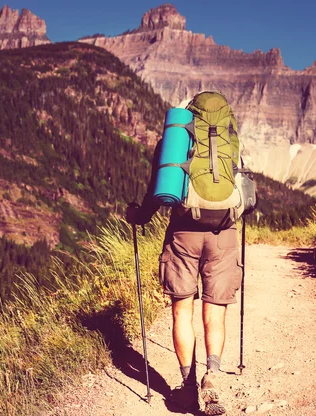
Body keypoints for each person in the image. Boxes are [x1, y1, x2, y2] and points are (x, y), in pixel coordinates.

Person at [126, 97, 243, 416]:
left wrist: (138, 216)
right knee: (215, 312)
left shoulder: (176, 136)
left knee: (182, 311)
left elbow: (157, 190)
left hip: (183, 233)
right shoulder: (230, 134)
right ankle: (214, 377)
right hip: (224, 233)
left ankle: (188, 384)